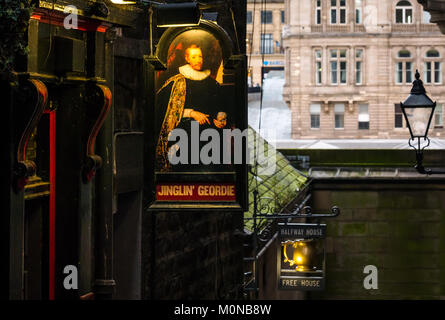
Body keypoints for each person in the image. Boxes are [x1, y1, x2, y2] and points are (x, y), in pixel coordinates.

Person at [155, 44, 222, 172]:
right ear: (187, 59)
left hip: (209, 137)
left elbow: (219, 106)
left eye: (200, 56)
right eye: (194, 56)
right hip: (185, 135)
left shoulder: (211, 83)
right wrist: (192, 113)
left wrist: (220, 118)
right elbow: (163, 108)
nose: (198, 60)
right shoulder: (177, 82)